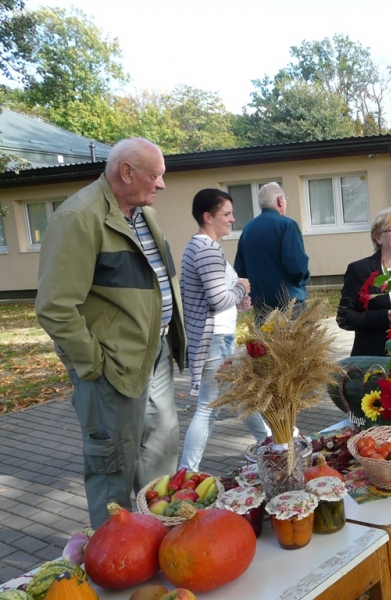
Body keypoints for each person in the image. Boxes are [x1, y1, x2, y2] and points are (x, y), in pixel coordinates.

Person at [35, 137, 186, 528]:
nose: (162, 185)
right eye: (156, 176)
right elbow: (55, 307)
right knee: (112, 469)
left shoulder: (142, 214)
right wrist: (94, 364)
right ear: (126, 172)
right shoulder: (79, 217)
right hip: (112, 369)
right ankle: (115, 564)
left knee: (160, 453)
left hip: (154, 357)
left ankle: (156, 537)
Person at [179, 189, 270, 472]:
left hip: (217, 337)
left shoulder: (203, 247)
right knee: (209, 407)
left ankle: (269, 442)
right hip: (215, 339)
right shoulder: (206, 249)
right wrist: (240, 287)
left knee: (239, 394)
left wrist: (238, 296)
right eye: (226, 214)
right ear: (208, 216)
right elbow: (218, 300)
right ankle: (186, 473)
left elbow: (220, 296)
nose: (232, 220)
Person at [337, 206, 391, 356]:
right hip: (380, 357)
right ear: (378, 237)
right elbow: (344, 317)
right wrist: (383, 317)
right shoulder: (361, 270)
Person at [234, 182, 310, 321]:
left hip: (261, 307)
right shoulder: (287, 225)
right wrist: (304, 279)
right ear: (280, 201)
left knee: (264, 342)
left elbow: (240, 270)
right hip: (290, 305)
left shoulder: (248, 229)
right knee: (294, 342)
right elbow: (297, 267)